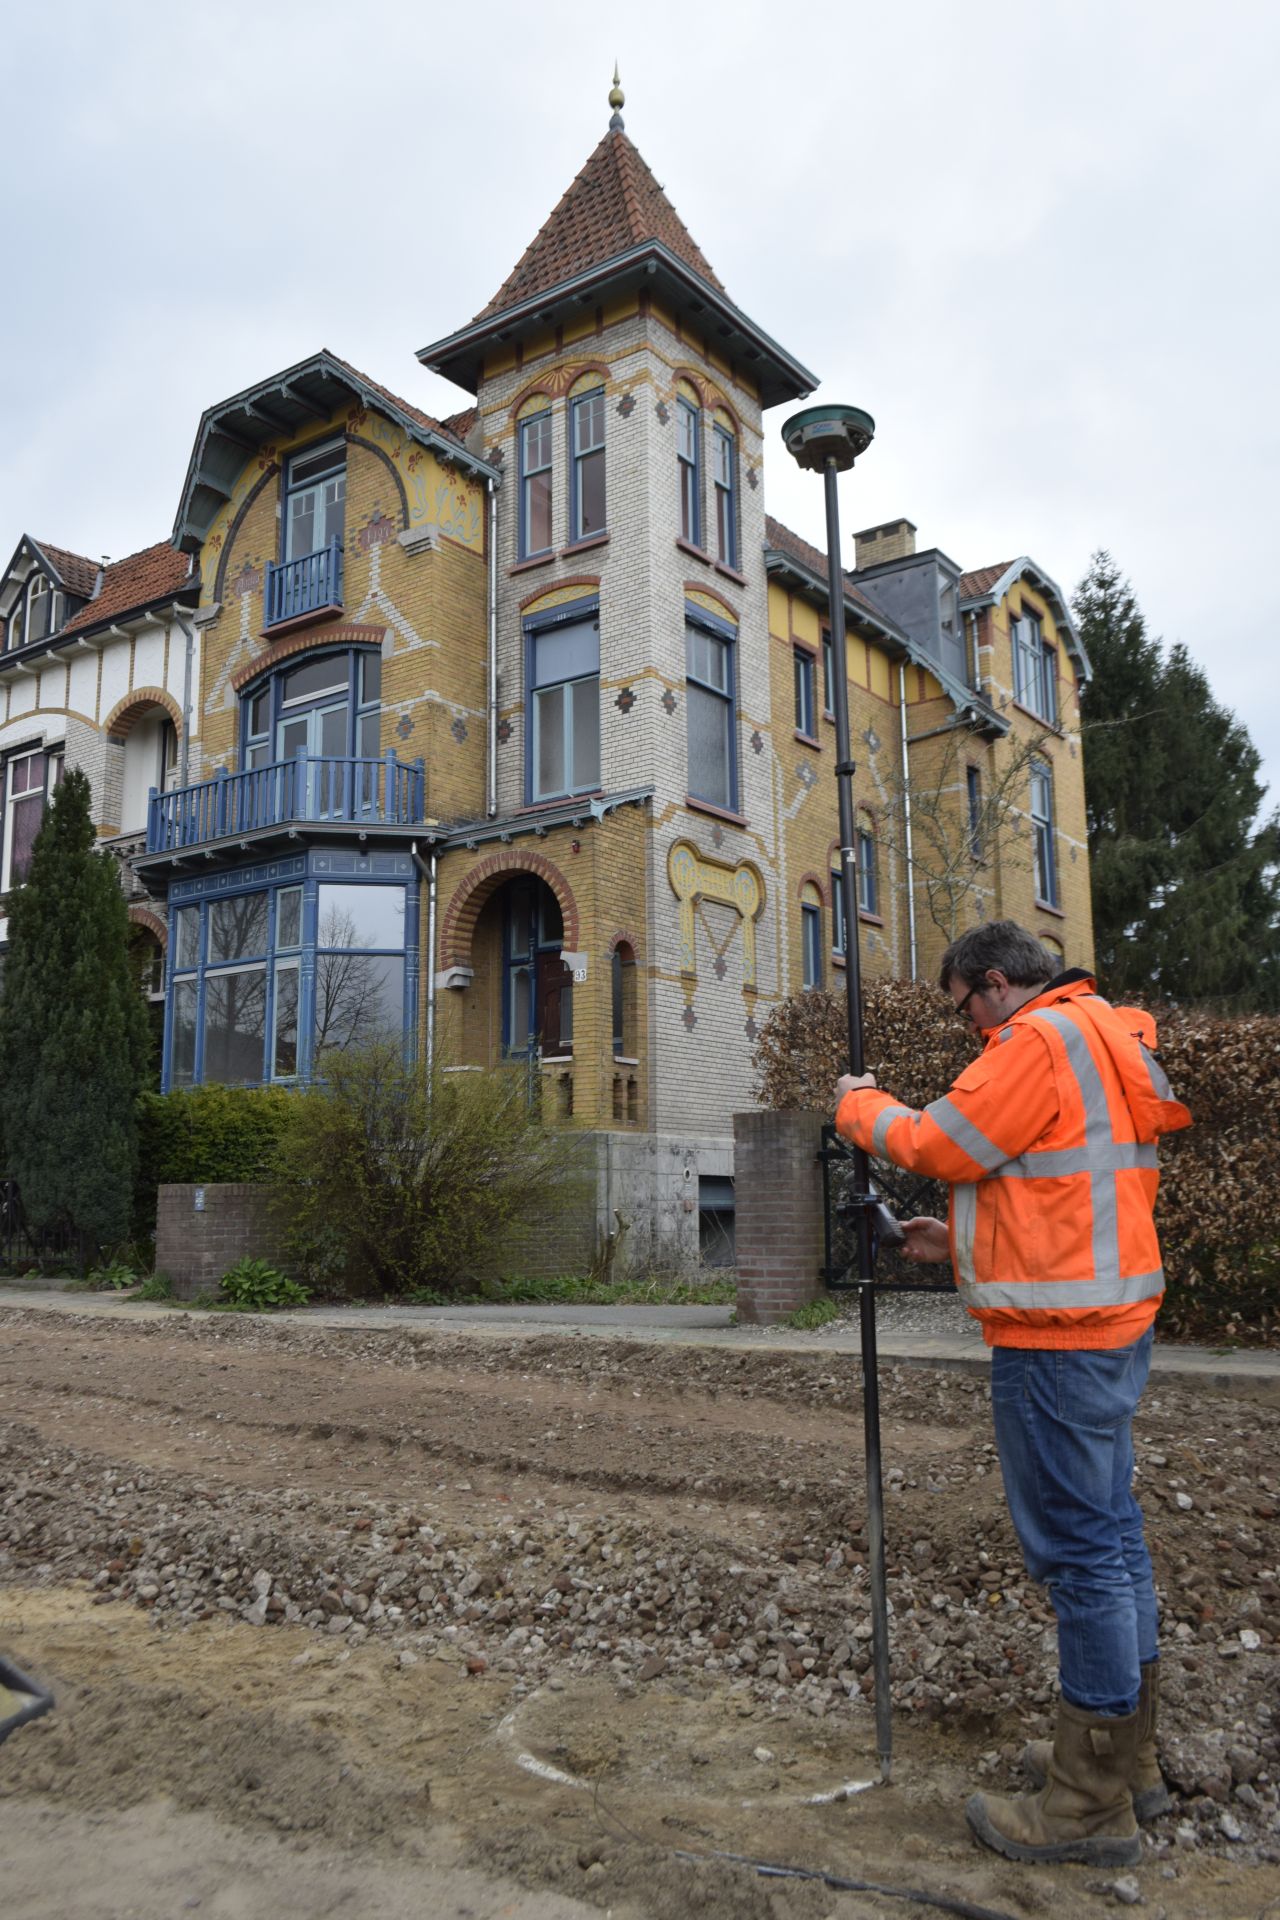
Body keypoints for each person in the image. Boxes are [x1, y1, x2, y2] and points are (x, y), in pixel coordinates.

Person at [834, 920, 1191, 1868]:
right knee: (1111, 1535)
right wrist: (959, 1243)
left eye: (963, 1010)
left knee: (1080, 1553)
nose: (968, 1033)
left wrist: (858, 1108)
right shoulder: (1106, 1031)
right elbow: (1067, 1189)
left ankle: (1086, 1807)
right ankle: (1126, 1762)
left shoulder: (1036, 1040)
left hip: (1057, 1346)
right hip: (1108, 1324)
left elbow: (937, 1142)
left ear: (995, 984)